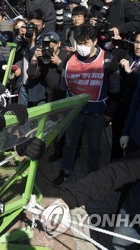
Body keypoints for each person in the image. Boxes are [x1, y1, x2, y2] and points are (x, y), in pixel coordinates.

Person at [54, 24, 120, 185]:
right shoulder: (70, 59)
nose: (82, 47)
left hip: (96, 113)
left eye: (85, 42)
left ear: (95, 41)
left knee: (94, 146)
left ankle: (92, 175)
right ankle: (66, 171)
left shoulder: (108, 60)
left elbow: (115, 90)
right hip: (74, 111)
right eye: (79, 42)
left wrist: (109, 113)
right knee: (70, 143)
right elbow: (63, 86)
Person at [111, 30, 140, 160]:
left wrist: (129, 72)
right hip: (121, 110)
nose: (138, 46)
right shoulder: (129, 56)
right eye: (137, 42)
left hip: (137, 113)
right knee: (116, 145)